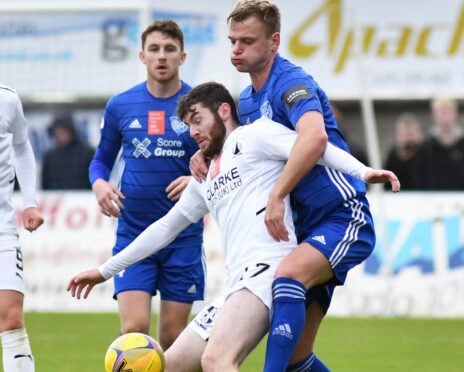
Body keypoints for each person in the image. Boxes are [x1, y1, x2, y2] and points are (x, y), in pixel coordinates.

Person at [68, 82, 399, 372]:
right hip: (236, 285)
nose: (193, 132)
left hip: (269, 271)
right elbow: (164, 229)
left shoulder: (254, 136)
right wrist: (104, 271)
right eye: (188, 126)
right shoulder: (202, 177)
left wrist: (364, 172)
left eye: (198, 120)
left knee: (216, 361)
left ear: (224, 110)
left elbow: (315, 145)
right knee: (171, 364)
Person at [188, 1, 393, 370]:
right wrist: (206, 154)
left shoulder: (291, 83)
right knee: (298, 358)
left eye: (247, 41)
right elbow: (239, 145)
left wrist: (278, 193)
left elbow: (313, 139)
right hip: (303, 230)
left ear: (274, 42)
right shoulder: (248, 101)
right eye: (232, 41)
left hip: (341, 215)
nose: (236, 49)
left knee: (287, 276)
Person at [88, 20, 205, 350]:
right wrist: (99, 184)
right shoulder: (121, 105)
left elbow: (219, 162)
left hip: (183, 239)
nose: (162, 56)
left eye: (169, 49)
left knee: (173, 338)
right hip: (133, 233)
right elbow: (101, 160)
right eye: (154, 49)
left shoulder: (198, 106)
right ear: (142, 56)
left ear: (182, 56)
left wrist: (198, 178)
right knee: (135, 331)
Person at [0, 85, 44, 372]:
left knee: (11, 316)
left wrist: (29, 201)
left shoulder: (7, 99)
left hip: (2, 229)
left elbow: (22, 145)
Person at [414, 97, 464, 190]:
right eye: (441, 112)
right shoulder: (425, 146)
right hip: (432, 198)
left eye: (448, 112)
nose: (445, 117)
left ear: (455, 113)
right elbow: (420, 176)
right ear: (433, 115)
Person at [41, 114, 95, 190]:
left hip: (83, 200)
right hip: (57, 200)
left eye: (64, 131)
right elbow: (45, 185)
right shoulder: (49, 156)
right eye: (58, 131)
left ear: (71, 131)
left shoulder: (88, 153)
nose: (61, 135)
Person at [384, 113, 423, 190]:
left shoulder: (427, 156)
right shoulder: (392, 158)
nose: (408, 138)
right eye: (405, 134)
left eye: (411, 134)